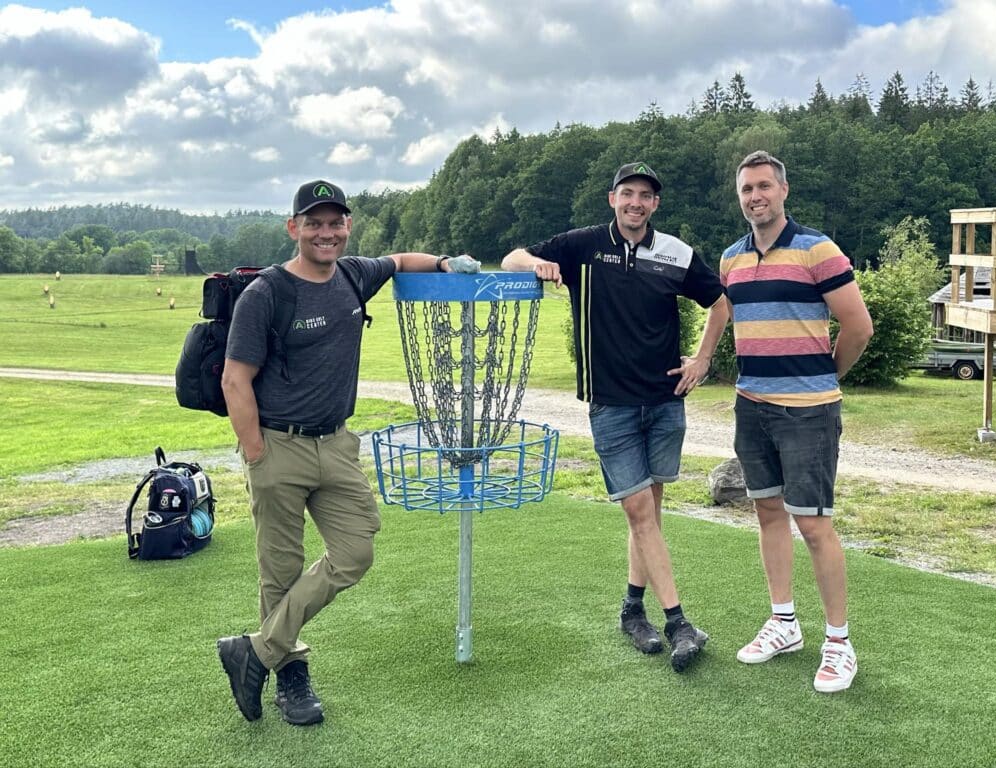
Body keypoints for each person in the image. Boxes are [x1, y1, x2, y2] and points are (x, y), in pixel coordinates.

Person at [216, 179, 479, 726]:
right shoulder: (266, 293)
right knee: (281, 570)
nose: (326, 233)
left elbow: (400, 260)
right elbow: (234, 380)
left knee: (355, 551)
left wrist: (444, 262)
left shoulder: (355, 275)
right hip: (278, 445)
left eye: (335, 223)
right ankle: (291, 677)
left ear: (348, 226)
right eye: (314, 223)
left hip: (336, 444)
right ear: (294, 228)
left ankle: (255, 652)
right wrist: (258, 454)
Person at [502, 162, 729, 673]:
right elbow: (513, 257)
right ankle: (678, 623)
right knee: (641, 514)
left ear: (655, 204)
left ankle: (632, 610)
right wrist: (536, 265)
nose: (636, 203)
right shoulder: (582, 245)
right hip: (611, 405)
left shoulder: (676, 253)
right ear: (612, 199)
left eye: (645, 195)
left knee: (647, 515)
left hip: (666, 401)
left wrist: (702, 359)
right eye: (628, 193)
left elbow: (720, 303)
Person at [720, 151, 873, 693]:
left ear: (783, 190)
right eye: (746, 189)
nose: (755, 196)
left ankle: (839, 642)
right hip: (751, 405)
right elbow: (727, 316)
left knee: (813, 524)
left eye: (764, 186)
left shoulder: (817, 249)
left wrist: (826, 376)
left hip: (808, 412)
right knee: (767, 513)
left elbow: (858, 326)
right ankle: (783, 623)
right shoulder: (731, 259)